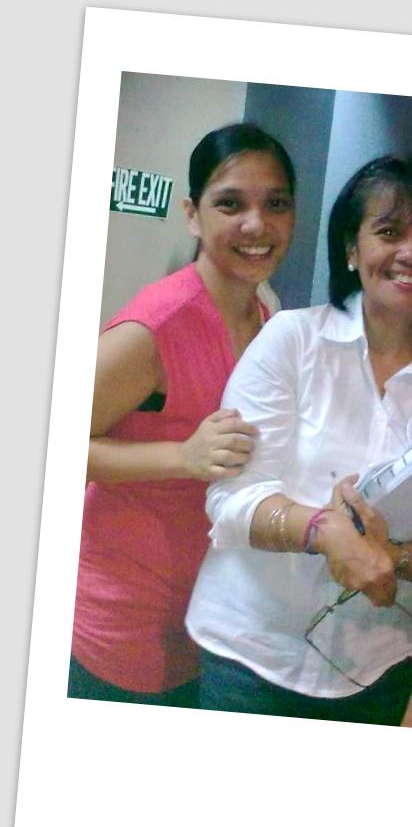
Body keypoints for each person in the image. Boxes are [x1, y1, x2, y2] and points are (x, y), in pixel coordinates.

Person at [185, 153, 412, 726]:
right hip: (254, 658)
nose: (411, 252)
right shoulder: (291, 341)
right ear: (352, 248)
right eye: (388, 232)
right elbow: (231, 499)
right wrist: (324, 532)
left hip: (379, 668)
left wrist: (394, 558)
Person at [69, 122, 297, 707]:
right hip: (123, 623)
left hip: (209, 618)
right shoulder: (156, 326)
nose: (256, 224)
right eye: (230, 204)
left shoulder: (268, 323)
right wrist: (182, 456)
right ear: (193, 215)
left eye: (275, 204)